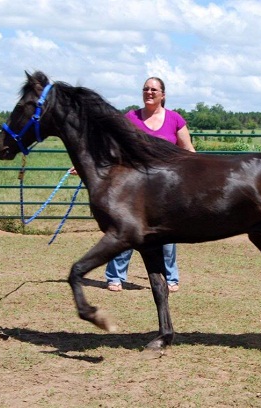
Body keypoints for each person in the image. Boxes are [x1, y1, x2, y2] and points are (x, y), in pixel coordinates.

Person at [106, 77, 195, 293]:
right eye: (145, 89)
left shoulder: (175, 119)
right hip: (135, 187)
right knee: (127, 231)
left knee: (166, 234)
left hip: (166, 189)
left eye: (154, 89)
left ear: (163, 94)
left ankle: (170, 277)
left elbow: (189, 151)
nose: (149, 92)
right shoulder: (130, 118)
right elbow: (116, 149)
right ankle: (115, 276)